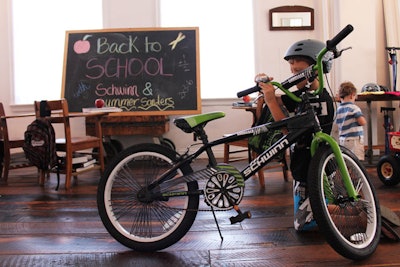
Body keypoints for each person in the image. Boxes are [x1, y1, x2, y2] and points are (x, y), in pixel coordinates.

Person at [255, 39, 334, 231]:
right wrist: (266, 86)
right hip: (302, 167)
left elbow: (290, 132)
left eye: (299, 72)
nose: (294, 77)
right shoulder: (304, 96)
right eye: (292, 72)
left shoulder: (319, 100)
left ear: (316, 70)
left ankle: (356, 215)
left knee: (307, 224)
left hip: (314, 169)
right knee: (306, 223)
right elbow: (283, 101)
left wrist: (271, 101)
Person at [335, 81, 366, 160]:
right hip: (354, 140)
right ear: (352, 95)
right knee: (356, 161)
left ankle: (344, 172)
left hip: (343, 140)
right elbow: (362, 122)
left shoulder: (338, 109)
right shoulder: (354, 108)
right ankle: (354, 172)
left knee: (346, 160)